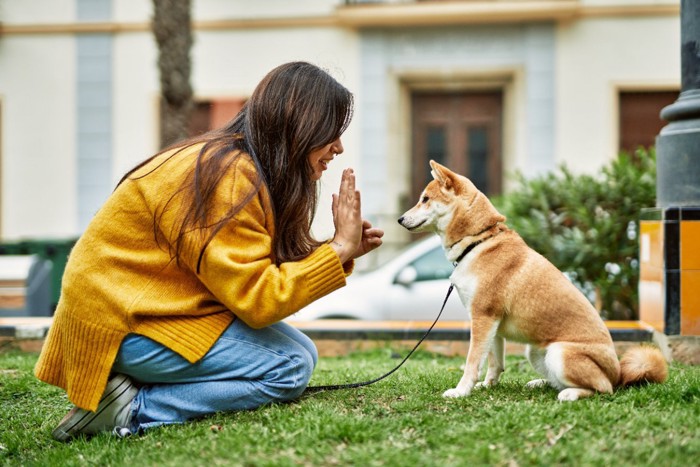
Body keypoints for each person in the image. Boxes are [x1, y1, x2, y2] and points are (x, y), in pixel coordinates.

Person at [34, 61, 384, 441]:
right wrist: (336, 250)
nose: (339, 146)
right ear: (300, 124)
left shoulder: (235, 164)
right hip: (122, 328)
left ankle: (128, 392)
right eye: (331, 131)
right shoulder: (229, 175)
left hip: (145, 313)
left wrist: (341, 251)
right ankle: (128, 410)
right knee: (290, 366)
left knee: (302, 351)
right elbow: (259, 300)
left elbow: (247, 276)